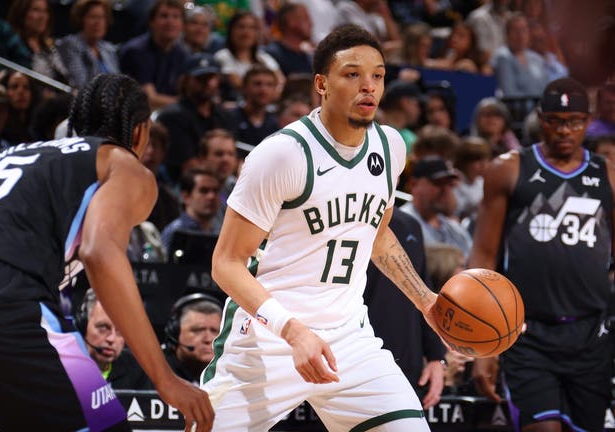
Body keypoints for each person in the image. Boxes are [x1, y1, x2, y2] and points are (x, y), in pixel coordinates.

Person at [0, 73, 214, 432]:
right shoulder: (123, 164)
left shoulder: (12, 154)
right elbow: (99, 252)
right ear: (140, 132)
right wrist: (164, 377)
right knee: (103, 424)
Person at [200, 25, 439, 431]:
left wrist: (425, 300)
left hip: (350, 338)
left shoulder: (391, 147)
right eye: (352, 74)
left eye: (378, 75)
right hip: (268, 340)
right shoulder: (282, 155)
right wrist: (294, 333)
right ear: (321, 84)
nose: (369, 86)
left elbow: (376, 235)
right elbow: (226, 263)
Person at [468, 77, 615, 432]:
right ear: (540, 118)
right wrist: (483, 347)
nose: (565, 130)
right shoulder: (507, 169)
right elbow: (484, 255)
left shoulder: (608, 174)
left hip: (591, 332)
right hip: (526, 332)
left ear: (588, 120)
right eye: (555, 121)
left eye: (575, 121)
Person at [363, 209, 446, 410]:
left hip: (407, 364)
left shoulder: (410, 224)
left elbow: (423, 289)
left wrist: (436, 357)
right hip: (356, 357)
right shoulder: (346, 218)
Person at [155, 53, 235, 183]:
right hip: (181, 185)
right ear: (186, 80)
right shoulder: (172, 116)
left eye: (211, 78)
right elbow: (188, 167)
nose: (207, 83)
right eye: (200, 78)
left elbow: (235, 159)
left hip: (223, 183)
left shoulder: (225, 115)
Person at [75, 288, 152, 389]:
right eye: (103, 328)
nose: (111, 339)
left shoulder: (136, 368)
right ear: (83, 326)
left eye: (120, 331)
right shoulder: (63, 366)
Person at [118, 0, 187, 111]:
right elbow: (149, 99)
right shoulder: (136, 51)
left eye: (176, 17)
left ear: (183, 25)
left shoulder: (181, 53)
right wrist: (188, 104)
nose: (170, 22)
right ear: (151, 22)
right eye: (164, 16)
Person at [399, 156, 472, 256]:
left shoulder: (455, 228)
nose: (445, 190)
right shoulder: (400, 223)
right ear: (414, 184)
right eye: (438, 183)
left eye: (449, 184)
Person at [57, 0, 120, 90]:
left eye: (102, 17)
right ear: (81, 19)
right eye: (92, 17)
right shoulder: (71, 45)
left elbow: (118, 82)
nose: (98, 22)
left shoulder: (108, 48)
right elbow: (80, 83)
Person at [162, 293, 222, 385]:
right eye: (198, 330)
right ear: (175, 332)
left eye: (215, 331)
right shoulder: (151, 370)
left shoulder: (231, 374)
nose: (208, 339)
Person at [6, 0, 70, 85]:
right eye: (36, 10)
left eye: (45, 11)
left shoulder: (50, 46)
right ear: (21, 13)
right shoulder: (12, 43)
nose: (42, 17)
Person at [160, 168, 222, 252]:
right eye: (204, 191)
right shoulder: (175, 231)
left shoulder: (220, 230)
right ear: (186, 197)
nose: (211, 196)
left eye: (215, 191)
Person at [227, 65, 280, 148]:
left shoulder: (276, 122)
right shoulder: (229, 117)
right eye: (257, 84)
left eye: (269, 85)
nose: (263, 89)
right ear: (245, 87)